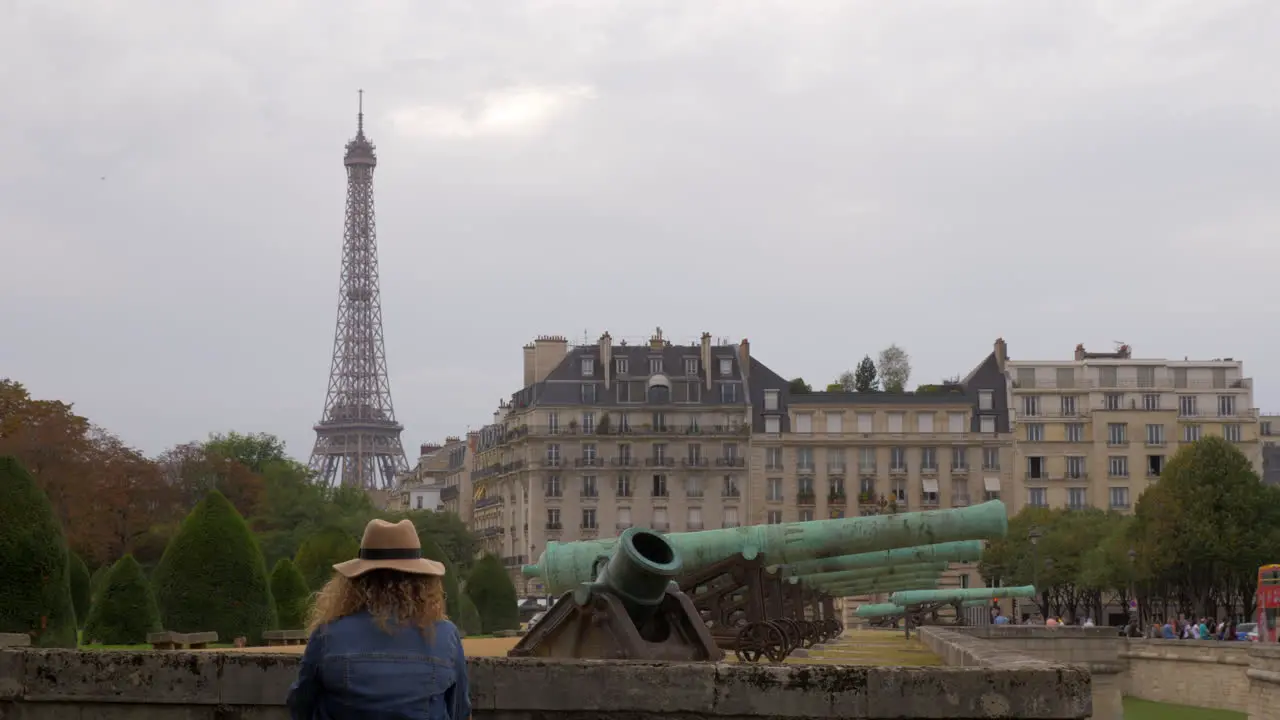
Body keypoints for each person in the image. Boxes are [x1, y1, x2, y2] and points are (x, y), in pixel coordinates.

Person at [287, 519, 471, 720]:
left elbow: (301, 704)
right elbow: (459, 711)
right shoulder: (445, 635)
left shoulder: (328, 634)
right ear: (423, 583)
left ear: (356, 581)